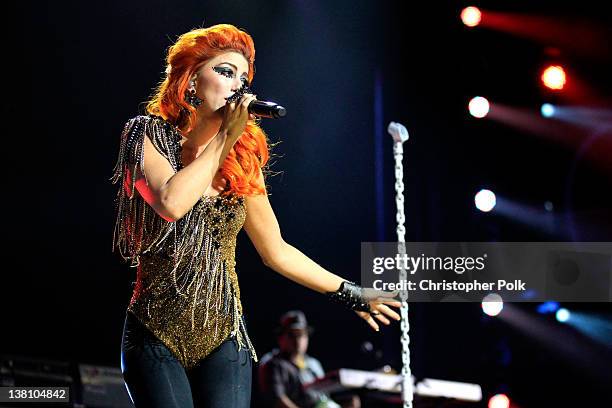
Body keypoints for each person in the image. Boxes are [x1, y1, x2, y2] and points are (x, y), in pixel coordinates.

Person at [111, 24, 401, 408]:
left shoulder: (241, 161)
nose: (238, 86)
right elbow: (171, 203)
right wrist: (224, 138)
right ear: (191, 81)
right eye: (226, 72)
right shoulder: (145, 134)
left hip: (223, 333)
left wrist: (351, 293)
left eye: (244, 78)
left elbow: (276, 251)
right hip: (155, 329)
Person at [258, 311, 361, 408]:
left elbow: (324, 397)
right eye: (292, 335)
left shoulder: (313, 363)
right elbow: (277, 400)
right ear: (280, 338)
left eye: (301, 335)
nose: (297, 340)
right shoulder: (273, 364)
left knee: (352, 400)